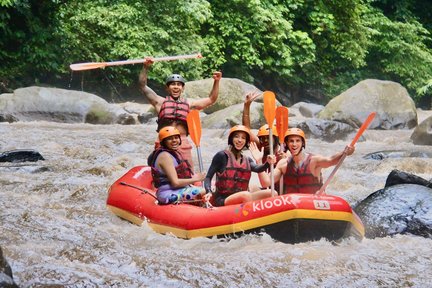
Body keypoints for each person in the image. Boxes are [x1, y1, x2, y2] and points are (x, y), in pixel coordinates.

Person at [139, 58, 222, 171]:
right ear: (167, 88)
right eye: (172, 84)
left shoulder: (190, 104)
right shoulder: (159, 102)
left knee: (187, 171)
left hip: (182, 142)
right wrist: (145, 67)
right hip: (163, 141)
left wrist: (216, 81)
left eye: (179, 84)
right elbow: (143, 86)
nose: (176, 86)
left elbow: (212, 99)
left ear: (182, 88)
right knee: (161, 172)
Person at [255, 128, 355, 194]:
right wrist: (259, 161)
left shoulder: (314, 160)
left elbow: (331, 160)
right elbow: (266, 183)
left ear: (303, 143)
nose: (294, 144)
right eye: (291, 141)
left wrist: (344, 152)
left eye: (297, 141)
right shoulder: (283, 164)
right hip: (291, 207)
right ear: (287, 144)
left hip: (313, 205)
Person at [204, 125, 274, 207]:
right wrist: (208, 191)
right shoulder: (222, 156)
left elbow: (258, 169)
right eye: (236, 137)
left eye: (243, 138)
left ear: (246, 141)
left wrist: (268, 162)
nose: (240, 140)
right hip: (223, 199)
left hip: (241, 197)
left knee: (272, 193)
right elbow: (208, 177)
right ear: (231, 139)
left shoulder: (247, 160)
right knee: (245, 195)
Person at [149, 126, 209, 205]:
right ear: (164, 141)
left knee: (210, 188)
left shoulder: (173, 153)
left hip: (178, 189)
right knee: (203, 191)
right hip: (167, 193)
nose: (174, 140)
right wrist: (196, 179)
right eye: (170, 138)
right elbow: (175, 183)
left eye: (176, 137)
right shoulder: (165, 156)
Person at [242, 90, 286, 191]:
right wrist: (246, 106)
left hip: (284, 192)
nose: (265, 141)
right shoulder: (260, 146)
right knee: (251, 188)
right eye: (262, 139)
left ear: (275, 138)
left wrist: (285, 158)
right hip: (268, 190)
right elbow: (246, 130)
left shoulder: (284, 150)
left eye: (268, 138)